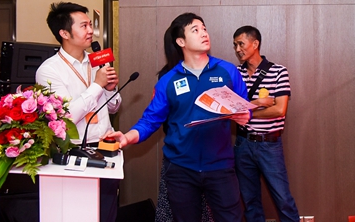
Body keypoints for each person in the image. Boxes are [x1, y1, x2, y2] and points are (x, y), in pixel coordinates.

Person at [105, 12, 250, 222]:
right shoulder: (168, 80)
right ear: (181, 41)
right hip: (181, 169)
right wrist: (128, 137)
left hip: (220, 166)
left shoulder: (228, 71)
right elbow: (150, 120)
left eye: (204, 29)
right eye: (195, 30)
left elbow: (244, 106)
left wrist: (244, 115)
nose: (204, 34)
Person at [35, 2, 121, 222]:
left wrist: (110, 89)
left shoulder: (96, 62)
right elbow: (67, 117)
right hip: (73, 155)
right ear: (64, 33)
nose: (91, 31)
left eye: (90, 25)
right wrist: (97, 85)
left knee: (107, 213)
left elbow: (114, 107)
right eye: (84, 26)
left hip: (106, 149)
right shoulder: (49, 70)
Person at [232, 26, 300, 222]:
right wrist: (258, 103)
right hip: (242, 144)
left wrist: (247, 112)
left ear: (255, 44)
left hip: (269, 144)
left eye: (241, 44)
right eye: (235, 45)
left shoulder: (278, 71)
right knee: (250, 201)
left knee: (283, 199)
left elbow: (279, 110)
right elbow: (232, 109)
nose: (237, 49)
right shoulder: (235, 73)